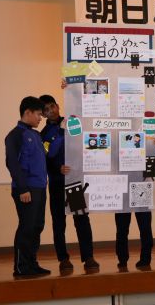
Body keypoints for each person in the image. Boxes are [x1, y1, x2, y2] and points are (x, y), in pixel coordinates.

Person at [39, 94, 100, 272]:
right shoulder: (43, 135)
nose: (51, 111)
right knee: (59, 223)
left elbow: (84, 144)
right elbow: (46, 158)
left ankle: (88, 257)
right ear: (42, 114)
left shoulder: (73, 122)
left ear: (58, 106)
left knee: (82, 219)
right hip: (57, 183)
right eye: (46, 110)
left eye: (52, 106)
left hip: (74, 181)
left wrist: (71, 86)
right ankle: (63, 259)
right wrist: (57, 168)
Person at [5, 96, 50, 277]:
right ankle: (21, 267)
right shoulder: (15, 135)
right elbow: (12, 164)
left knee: (37, 226)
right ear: (28, 112)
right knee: (27, 227)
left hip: (40, 188)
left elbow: (45, 156)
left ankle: (32, 263)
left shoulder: (36, 135)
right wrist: (23, 188)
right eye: (38, 114)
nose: (40, 118)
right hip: (26, 189)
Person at [115, 136, 155, 271]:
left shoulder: (145, 135)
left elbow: (151, 158)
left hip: (142, 184)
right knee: (122, 227)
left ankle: (145, 258)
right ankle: (122, 259)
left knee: (145, 225)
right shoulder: (116, 136)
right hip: (122, 184)